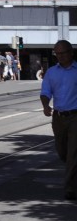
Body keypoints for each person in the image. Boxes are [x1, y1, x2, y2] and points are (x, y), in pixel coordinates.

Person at [40, 40, 77, 201]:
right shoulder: (51, 72)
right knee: (62, 152)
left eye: (62, 53)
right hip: (58, 118)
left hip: (76, 117)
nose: (60, 56)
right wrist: (45, 105)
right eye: (57, 53)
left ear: (71, 52)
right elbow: (45, 91)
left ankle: (70, 189)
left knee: (72, 155)